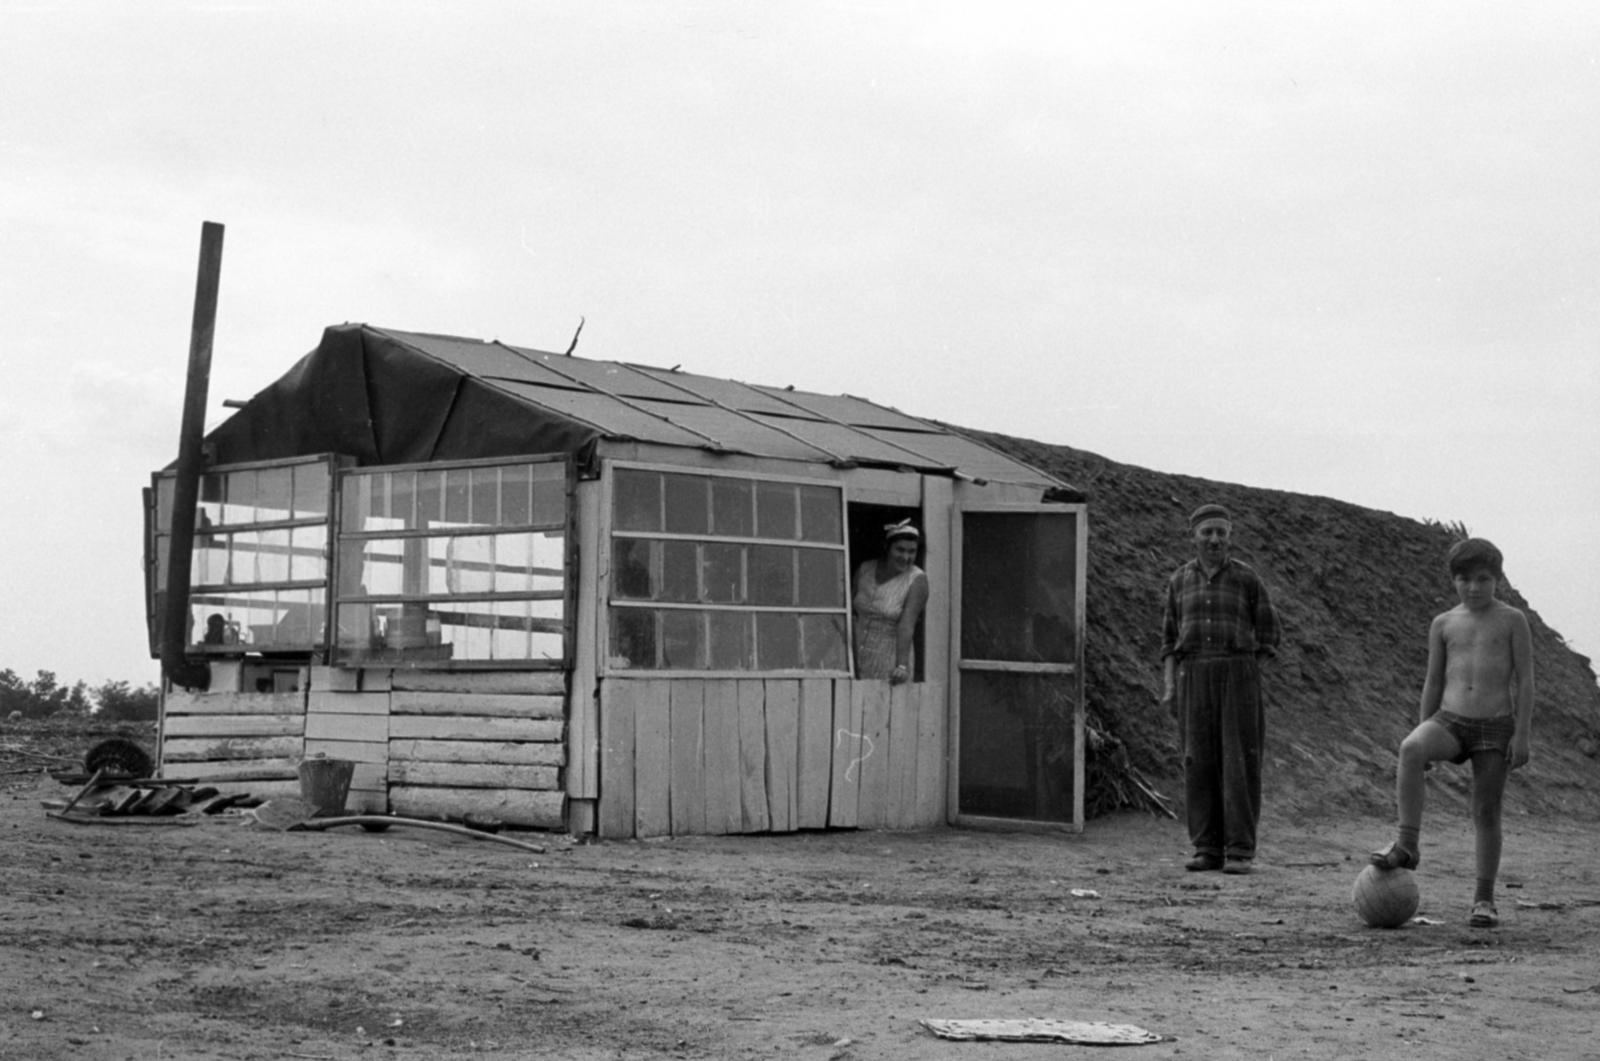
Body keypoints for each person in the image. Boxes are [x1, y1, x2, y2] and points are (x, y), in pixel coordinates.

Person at [1371, 538, 1534, 928]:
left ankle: (1484, 899)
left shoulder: (1512, 620)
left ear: (1497, 579)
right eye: (1464, 579)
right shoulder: (1443, 623)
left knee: (1486, 810)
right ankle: (1407, 844)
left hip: (1495, 725)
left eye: (1482, 579)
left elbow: (1526, 680)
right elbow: (1433, 679)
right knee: (1411, 748)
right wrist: (1425, 723)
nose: (1473, 588)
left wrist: (1522, 734)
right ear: (1453, 581)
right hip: (1451, 719)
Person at [1160, 503, 1281, 874]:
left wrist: (1243, 673)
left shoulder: (1247, 579)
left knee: (1239, 763)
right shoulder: (1179, 581)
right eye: (1207, 532)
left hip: (1237, 676)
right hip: (1193, 675)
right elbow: (1168, 640)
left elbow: (1269, 636)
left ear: (1230, 537)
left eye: (1221, 532)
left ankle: (1240, 850)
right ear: (1192, 537)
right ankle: (1207, 848)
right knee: (1198, 762)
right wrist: (1170, 687)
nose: (1214, 539)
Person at [852, 519, 930, 684]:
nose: (905, 557)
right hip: (855, 652)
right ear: (887, 547)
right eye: (900, 550)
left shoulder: (917, 579)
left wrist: (901, 666)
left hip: (889, 660)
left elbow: (907, 625)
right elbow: (849, 612)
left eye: (912, 551)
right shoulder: (865, 569)